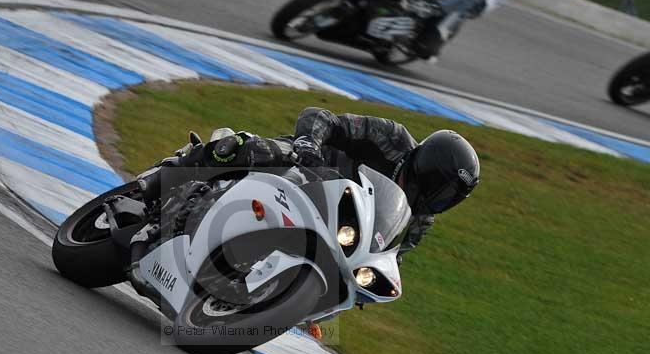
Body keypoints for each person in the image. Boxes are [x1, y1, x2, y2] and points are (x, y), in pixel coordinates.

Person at [140, 106, 480, 261]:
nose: (440, 198)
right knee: (248, 150)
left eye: (450, 196)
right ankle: (163, 180)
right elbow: (323, 118)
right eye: (441, 186)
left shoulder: (418, 222)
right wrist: (309, 145)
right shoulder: (392, 138)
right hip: (305, 168)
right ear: (428, 165)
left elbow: (388, 257)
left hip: (327, 226)